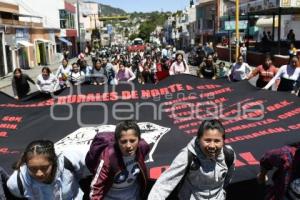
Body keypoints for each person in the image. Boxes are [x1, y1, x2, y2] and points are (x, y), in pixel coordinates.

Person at [148, 119, 235, 200]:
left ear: (223, 141)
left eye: (217, 141)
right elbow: (164, 184)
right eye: (207, 140)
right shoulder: (187, 156)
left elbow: (227, 178)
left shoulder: (229, 154)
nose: (212, 146)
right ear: (198, 139)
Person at [89, 120, 150, 200]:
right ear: (117, 142)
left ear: (139, 139)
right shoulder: (109, 156)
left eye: (132, 141)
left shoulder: (143, 147)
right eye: (123, 142)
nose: (128, 145)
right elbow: (97, 186)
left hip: (134, 195)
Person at [6, 140, 86, 199]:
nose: (39, 173)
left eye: (44, 167)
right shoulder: (16, 183)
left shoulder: (71, 159)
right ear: (26, 165)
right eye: (33, 168)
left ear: (53, 162)